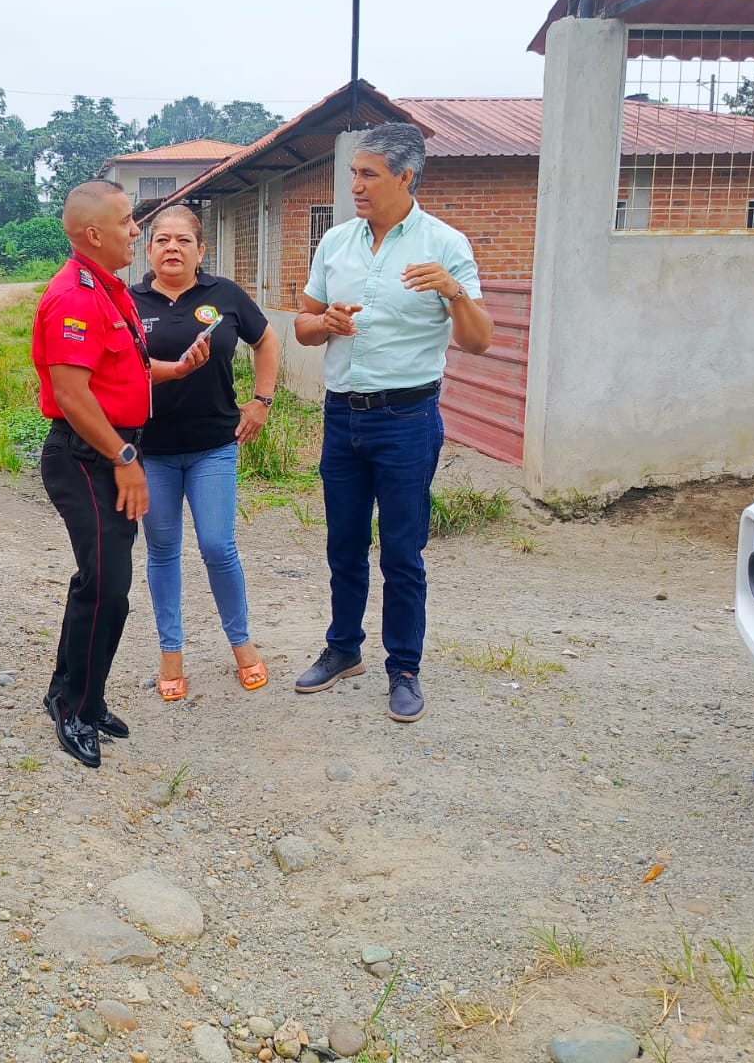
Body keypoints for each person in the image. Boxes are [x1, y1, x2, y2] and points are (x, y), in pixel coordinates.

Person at [293, 122, 492, 722]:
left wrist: (453, 292)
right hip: (342, 417)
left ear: (405, 177)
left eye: (368, 174)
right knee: (344, 544)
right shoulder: (336, 242)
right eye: (353, 173)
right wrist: (325, 322)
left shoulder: (444, 244)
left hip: (406, 419)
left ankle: (403, 667)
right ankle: (343, 649)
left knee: (402, 551)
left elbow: (479, 341)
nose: (355, 185)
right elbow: (302, 326)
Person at [31, 180, 208, 768]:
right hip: (86, 457)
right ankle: (75, 710)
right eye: (130, 221)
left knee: (103, 582)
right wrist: (124, 459)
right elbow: (72, 394)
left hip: (109, 453)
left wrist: (176, 369)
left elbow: (125, 369)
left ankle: (76, 693)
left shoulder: (109, 290)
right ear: (93, 234)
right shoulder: (74, 297)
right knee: (107, 587)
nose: (138, 231)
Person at [130, 204, 279, 700]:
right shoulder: (128, 302)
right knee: (162, 550)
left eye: (183, 240)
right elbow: (118, 368)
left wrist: (261, 401)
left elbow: (266, 341)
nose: (172, 248)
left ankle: (241, 643)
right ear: (148, 250)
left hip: (214, 447)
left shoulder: (225, 295)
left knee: (218, 546)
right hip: (152, 450)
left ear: (201, 250)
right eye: (162, 240)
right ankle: (171, 653)